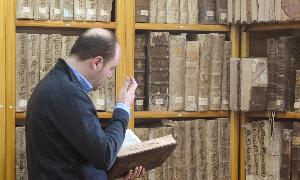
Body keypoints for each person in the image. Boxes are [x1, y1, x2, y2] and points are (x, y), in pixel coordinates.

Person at [25, 28, 144, 180]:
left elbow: (71, 156)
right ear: (97, 62)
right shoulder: (66, 94)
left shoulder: (56, 84)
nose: (109, 75)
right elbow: (105, 155)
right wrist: (123, 107)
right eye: (111, 68)